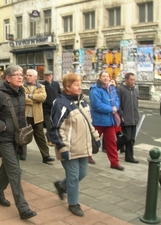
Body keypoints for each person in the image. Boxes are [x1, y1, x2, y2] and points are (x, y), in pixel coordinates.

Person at [0, 65, 37, 220]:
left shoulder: (21, 91)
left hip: (17, 137)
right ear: (7, 78)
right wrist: (1, 126)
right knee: (15, 171)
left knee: (7, 168)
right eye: (16, 75)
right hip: (4, 137)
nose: (21, 77)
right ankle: (23, 208)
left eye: (22, 75)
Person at [49, 73, 100, 217]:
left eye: (80, 84)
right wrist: (63, 148)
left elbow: (89, 123)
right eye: (76, 85)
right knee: (73, 177)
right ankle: (73, 203)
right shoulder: (61, 104)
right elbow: (56, 128)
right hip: (69, 149)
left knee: (82, 173)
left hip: (82, 147)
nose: (80, 87)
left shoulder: (82, 102)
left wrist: (95, 138)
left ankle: (61, 185)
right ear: (67, 87)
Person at [89, 71, 124, 171]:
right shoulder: (95, 89)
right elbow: (96, 105)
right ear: (99, 77)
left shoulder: (112, 88)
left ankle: (114, 162)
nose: (105, 78)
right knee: (93, 140)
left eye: (107, 76)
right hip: (98, 120)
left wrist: (115, 107)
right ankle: (87, 156)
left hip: (110, 121)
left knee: (112, 142)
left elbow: (117, 100)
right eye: (103, 76)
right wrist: (111, 109)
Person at [22, 69, 54, 163]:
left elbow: (43, 98)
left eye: (30, 75)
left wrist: (30, 96)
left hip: (37, 117)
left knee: (41, 137)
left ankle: (46, 156)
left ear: (35, 77)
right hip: (26, 115)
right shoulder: (22, 86)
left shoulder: (41, 87)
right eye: (27, 75)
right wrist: (35, 99)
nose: (27, 77)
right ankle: (22, 154)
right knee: (23, 135)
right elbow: (22, 98)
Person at [116, 72, 139, 163]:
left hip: (134, 117)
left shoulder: (135, 90)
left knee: (132, 139)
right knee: (126, 137)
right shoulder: (120, 89)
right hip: (125, 117)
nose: (133, 82)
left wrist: (137, 115)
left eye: (134, 80)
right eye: (131, 80)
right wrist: (121, 114)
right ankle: (113, 148)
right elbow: (118, 104)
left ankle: (129, 157)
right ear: (126, 79)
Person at [42, 70, 61, 146]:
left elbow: (60, 94)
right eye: (46, 76)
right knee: (48, 124)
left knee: (55, 124)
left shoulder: (56, 84)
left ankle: (53, 137)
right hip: (46, 108)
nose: (48, 77)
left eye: (49, 76)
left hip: (55, 108)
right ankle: (50, 140)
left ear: (52, 76)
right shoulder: (42, 85)